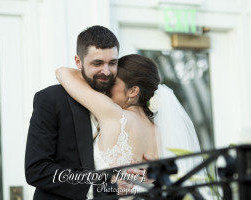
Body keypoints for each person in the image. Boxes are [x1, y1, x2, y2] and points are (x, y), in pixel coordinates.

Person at [56, 54, 205, 197]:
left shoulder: (115, 115)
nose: (106, 86)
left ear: (133, 91)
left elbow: (62, 72)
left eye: (112, 82)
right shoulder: (162, 133)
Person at [25, 25, 120, 200]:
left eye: (112, 63)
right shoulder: (50, 99)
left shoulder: (122, 99)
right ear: (78, 62)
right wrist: (96, 185)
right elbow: (37, 169)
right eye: (97, 63)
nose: (106, 71)